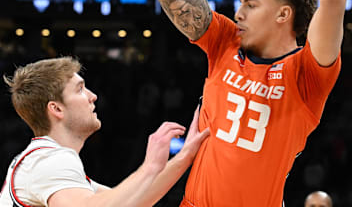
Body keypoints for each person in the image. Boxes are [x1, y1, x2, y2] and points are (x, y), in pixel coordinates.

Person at [147, 0, 346, 207]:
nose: (238, 12)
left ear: (283, 14)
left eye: (251, 5)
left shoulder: (307, 72)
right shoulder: (224, 42)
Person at [0, 57, 210, 207]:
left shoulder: (45, 161)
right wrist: (150, 167)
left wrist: (184, 156)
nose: (93, 96)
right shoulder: (48, 160)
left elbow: (133, 201)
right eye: (80, 89)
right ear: (56, 109)